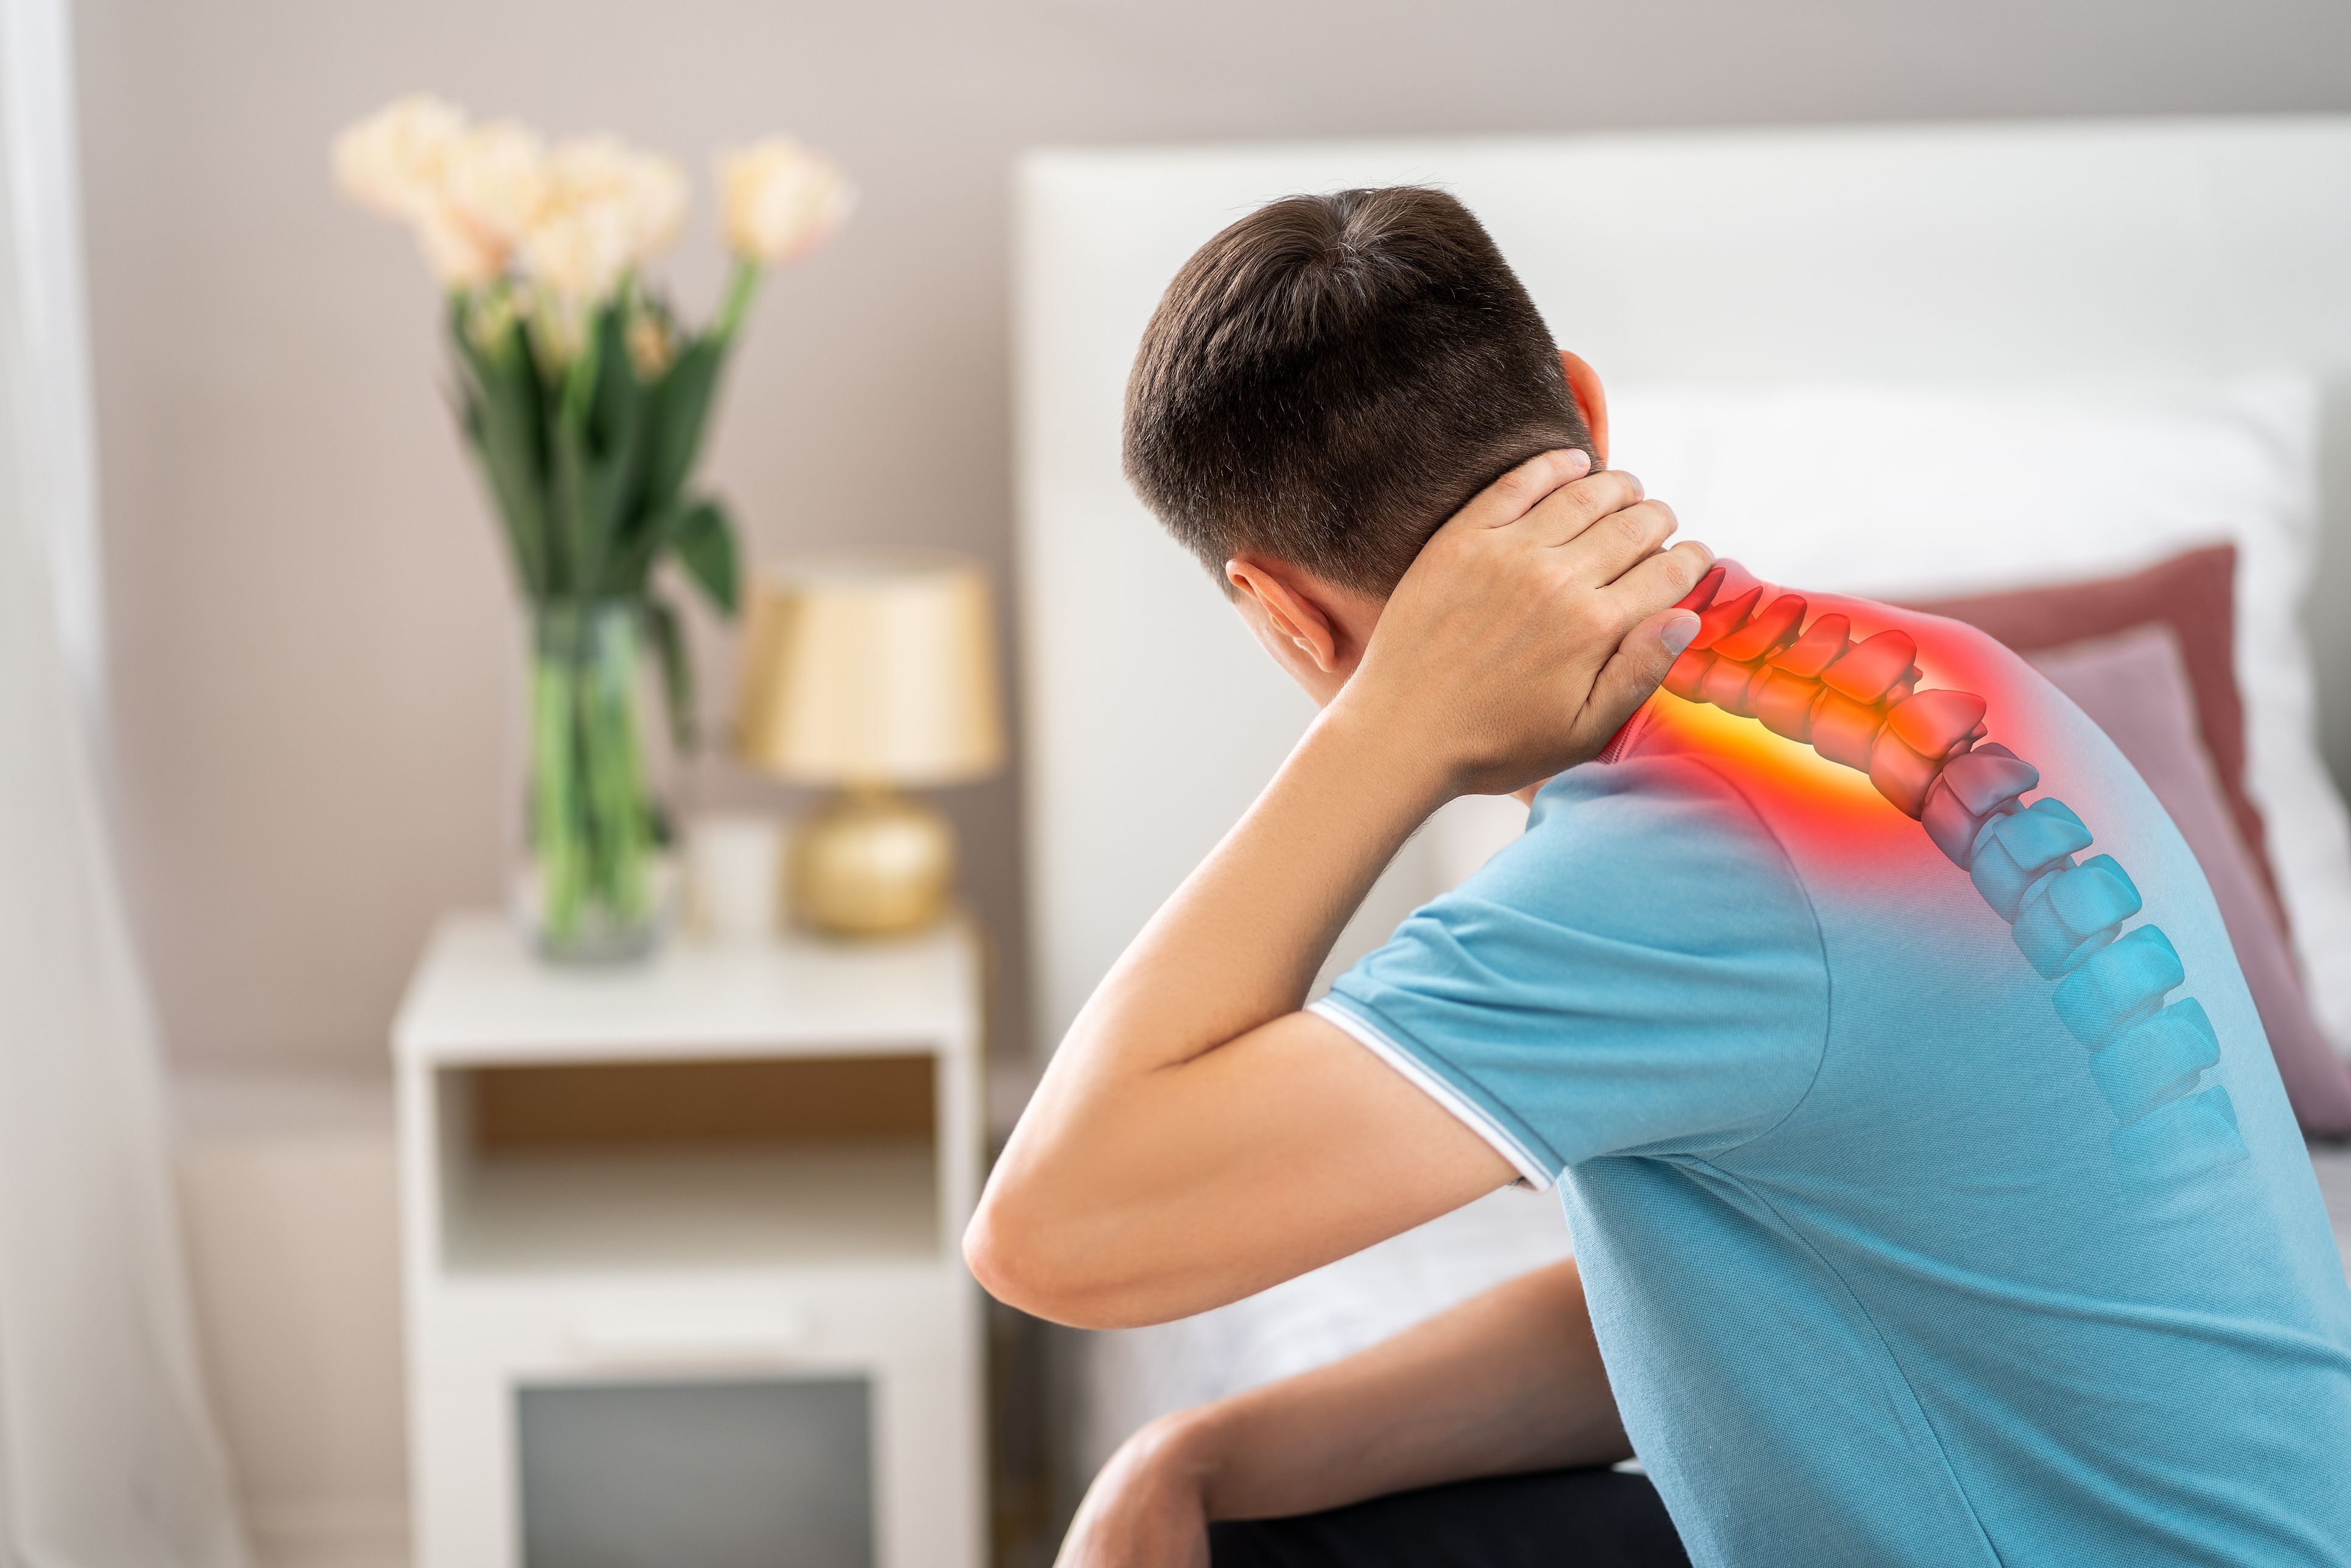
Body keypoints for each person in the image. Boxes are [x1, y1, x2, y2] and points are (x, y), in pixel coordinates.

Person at [964, 187, 2351, 1567]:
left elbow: (1053, 1232)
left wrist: (1382, 729)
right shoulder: (1948, 683)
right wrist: (1195, 1456)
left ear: (1280, 609)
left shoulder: (1679, 855)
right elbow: (1748, 1302)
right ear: (1583, 407)